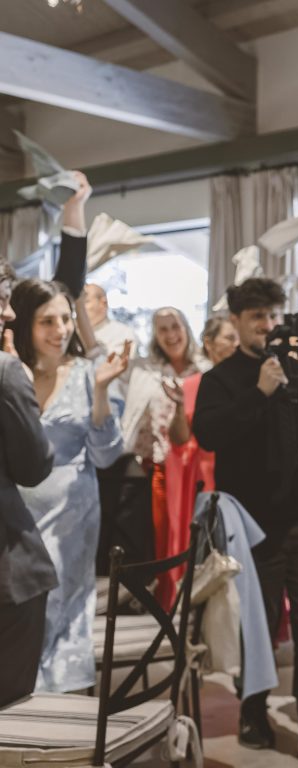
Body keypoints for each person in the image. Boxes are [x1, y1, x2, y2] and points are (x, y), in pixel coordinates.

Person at [192, 277, 298, 768]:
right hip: (253, 525)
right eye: (257, 316)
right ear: (236, 322)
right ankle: (254, 709)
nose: (268, 325)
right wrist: (258, 394)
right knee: (257, 626)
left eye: (274, 315)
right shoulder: (222, 379)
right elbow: (210, 435)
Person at [9, 278, 128, 693]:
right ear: (24, 324)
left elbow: (106, 455)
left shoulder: (87, 372)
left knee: (62, 606)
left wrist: (100, 392)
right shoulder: (11, 372)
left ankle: (58, 704)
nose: (61, 330)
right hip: (17, 515)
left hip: (72, 517)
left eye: (65, 319)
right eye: (47, 321)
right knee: (21, 607)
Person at [0, 261, 58, 707]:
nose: (10, 314)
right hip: (8, 573)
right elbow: (34, 467)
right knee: (10, 711)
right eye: (2, 300)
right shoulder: (5, 372)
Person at [159, 315, 240, 608]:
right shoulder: (194, 384)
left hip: (241, 473)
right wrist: (180, 407)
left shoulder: (250, 384)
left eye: (237, 338)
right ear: (209, 343)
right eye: (229, 338)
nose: (236, 344)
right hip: (203, 475)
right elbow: (179, 438)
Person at [119, 308, 202, 576]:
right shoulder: (147, 371)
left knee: (192, 530)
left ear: (186, 328)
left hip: (196, 469)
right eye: (163, 329)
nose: (171, 335)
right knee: (162, 531)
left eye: (175, 326)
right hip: (159, 467)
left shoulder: (204, 368)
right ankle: (165, 590)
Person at [82, 283, 140, 359]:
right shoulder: (70, 333)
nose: (79, 308)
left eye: (86, 301)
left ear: (103, 303)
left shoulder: (124, 333)